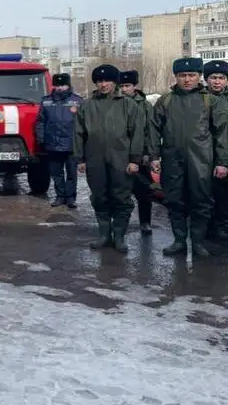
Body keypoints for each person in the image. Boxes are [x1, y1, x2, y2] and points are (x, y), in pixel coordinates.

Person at [148, 57, 228, 257]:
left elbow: (222, 134)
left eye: (191, 75)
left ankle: (198, 242)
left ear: (199, 76)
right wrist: (154, 156)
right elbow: (153, 130)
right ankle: (179, 241)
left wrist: (222, 162)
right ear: (176, 77)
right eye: (182, 75)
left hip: (201, 161)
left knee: (201, 201)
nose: (187, 79)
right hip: (172, 160)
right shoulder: (165, 101)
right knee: (174, 200)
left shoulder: (210, 101)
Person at [74, 64, 144, 253]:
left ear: (116, 82)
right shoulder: (87, 106)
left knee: (121, 197)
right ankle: (104, 235)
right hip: (95, 159)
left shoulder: (129, 105)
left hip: (121, 159)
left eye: (107, 81)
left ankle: (119, 236)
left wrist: (134, 160)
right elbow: (79, 133)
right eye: (99, 81)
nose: (103, 84)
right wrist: (80, 158)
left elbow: (137, 133)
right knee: (99, 196)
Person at [36, 73, 82, 208]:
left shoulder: (78, 101)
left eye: (63, 85)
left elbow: (83, 123)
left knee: (72, 174)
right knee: (56, 173)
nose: (60, 88)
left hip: (71, 144)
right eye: (57, 85)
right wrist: (41, 138)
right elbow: (40, 122)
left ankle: (71, 198)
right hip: (52, 144)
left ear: (68, 86)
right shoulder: (46, 101)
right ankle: (60, 197)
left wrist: (82, 142)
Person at [119, 69, 154, 235]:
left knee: (144, 192)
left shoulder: (145, 105)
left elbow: (150, 131)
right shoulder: (116, 103)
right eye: (121, 86)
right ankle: (119, 225)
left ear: (134, 86)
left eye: (127, 85)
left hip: (140, 156)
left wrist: (148, 153)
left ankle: (145, 222)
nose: (124, 89)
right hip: (120, 155)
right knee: (120, 193)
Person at [203, 59, 228, 242]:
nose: (217, 81)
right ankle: (207, 227)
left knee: (224, 194)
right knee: (207, 192)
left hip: (225, 152)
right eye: (213, 77)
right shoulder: (200, 98)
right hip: (205, 153)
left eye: (221, 77)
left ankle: (221, 226)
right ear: (206, 79)